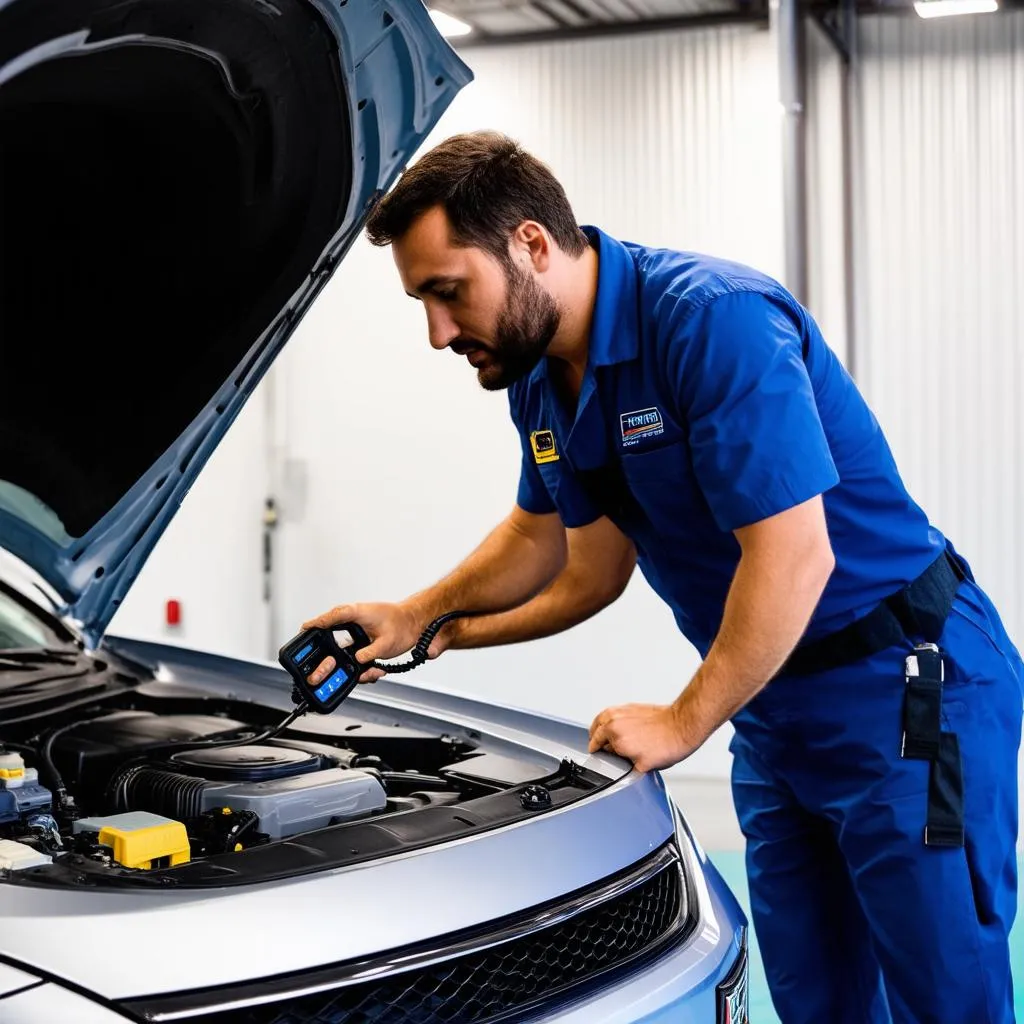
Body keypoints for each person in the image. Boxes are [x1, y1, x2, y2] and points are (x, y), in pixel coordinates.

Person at [302, 130, 1023, 1023]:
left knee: (946, 998)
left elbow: (797, 555)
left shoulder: (711, 320)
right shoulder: (539, 376)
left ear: (529, 244)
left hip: (908, 690)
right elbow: (567, 557)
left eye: (450, 294)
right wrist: (425, 623)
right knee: (817, 1000)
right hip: (774, 710)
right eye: (423, 303)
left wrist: (684, 720)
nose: (440, 333)